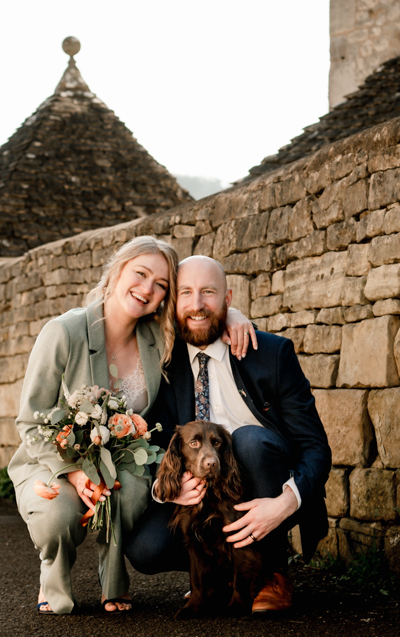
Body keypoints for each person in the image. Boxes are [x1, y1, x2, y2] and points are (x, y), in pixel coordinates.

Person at [8, 237, 255, 615]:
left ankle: (114, 583)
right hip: (52, 459)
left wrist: (233, 315)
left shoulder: (158, 337)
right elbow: (30, 419)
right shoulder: (64, 332)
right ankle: (52, 575)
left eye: (161, 285)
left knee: (132, 490)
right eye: (140, 274)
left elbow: (199, 316)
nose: (147, 288)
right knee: (58, 516)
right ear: (117, 270)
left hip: (121, 461)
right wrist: (73, 473)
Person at [126, 255, 332, 613]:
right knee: (145, 548)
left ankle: (272, 573)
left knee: (248, 441)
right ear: (173, 303)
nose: (197, 304)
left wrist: (284, 504)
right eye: (186, 293)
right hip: (202, 494)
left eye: (208, 292)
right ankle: (218, 575)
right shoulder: (164, 364)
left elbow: (315, 447)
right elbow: (156, 444)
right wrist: (167, 488)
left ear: (228, 298)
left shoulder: (271, 353)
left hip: (266, 483)